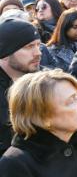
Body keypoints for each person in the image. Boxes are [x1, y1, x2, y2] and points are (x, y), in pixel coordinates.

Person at [0, 18, 41, 155]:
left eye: (38, 45)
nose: (38, 53)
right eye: (29, 47)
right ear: (5, 53)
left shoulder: (45, 82)